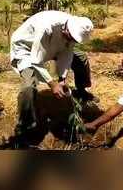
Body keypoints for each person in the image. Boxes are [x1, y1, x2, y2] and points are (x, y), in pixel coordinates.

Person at [10, 11, 95, 142]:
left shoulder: (73, 29)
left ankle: (81, 91)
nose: (71, 40)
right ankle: (25, 126)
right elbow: (36, 60)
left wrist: (62, 78)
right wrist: (52, 83)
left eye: (74, 39)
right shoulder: (46, 27)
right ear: (66, 28)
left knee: (81, 58)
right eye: (70, 37)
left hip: (51, 47)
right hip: (26, 48)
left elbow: (67, 53)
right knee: (28, 86)